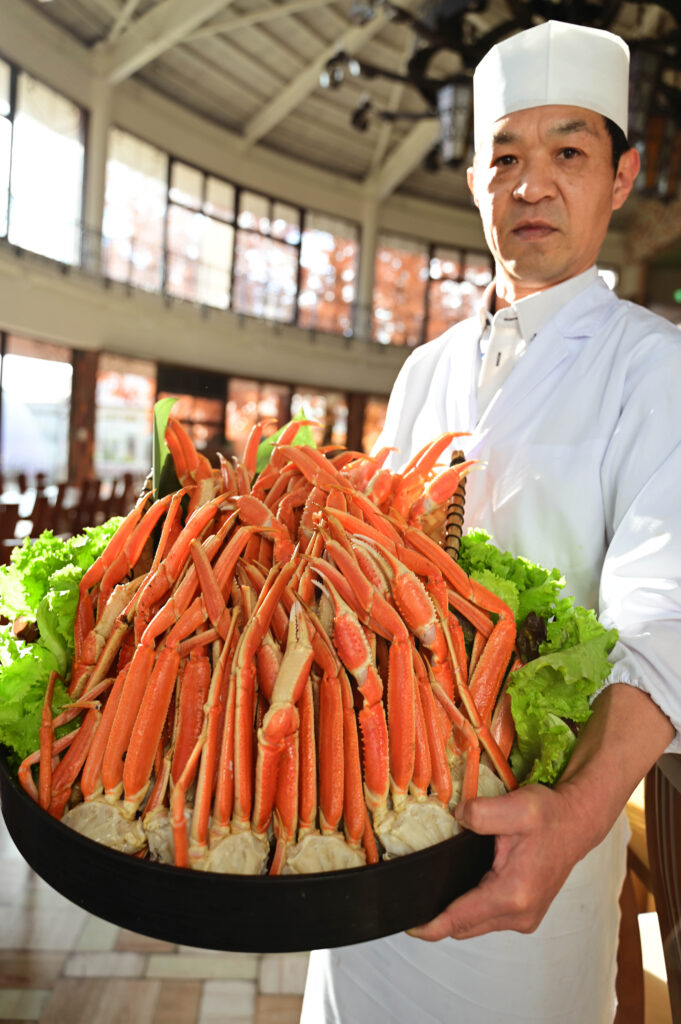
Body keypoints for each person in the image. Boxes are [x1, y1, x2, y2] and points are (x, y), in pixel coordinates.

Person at [301, 19, 681, 1024]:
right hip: (363, 812)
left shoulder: (657, 367)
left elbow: (664, 617)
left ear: (621, 177)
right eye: (505, 157)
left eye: (569, 153)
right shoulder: (422, 368)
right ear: (475, 182)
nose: (531, 184)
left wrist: (577, 812)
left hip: (530, 847)